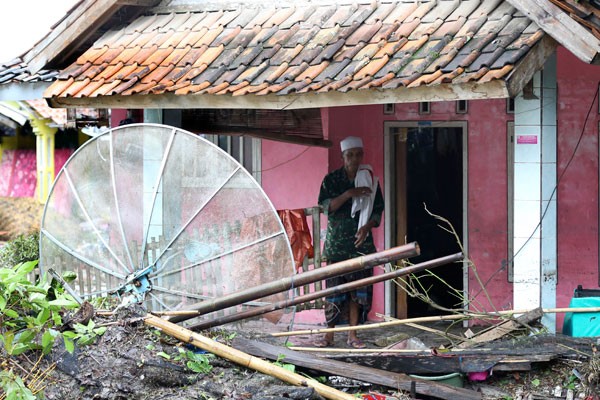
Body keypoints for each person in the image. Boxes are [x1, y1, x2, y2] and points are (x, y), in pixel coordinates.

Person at [314, 136, 384, 349]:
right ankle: (329, 335)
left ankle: (353, 335)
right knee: (334, 291)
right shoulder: (332, 180)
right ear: (342, 157)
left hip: (360, 246)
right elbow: (327, 207)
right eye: (350, 155)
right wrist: (348, 194)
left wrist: (367, 226)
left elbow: (377, 209)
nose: (354, 159)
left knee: (358, 293)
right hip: (337, 247)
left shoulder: (369, 179)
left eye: (358, 154)